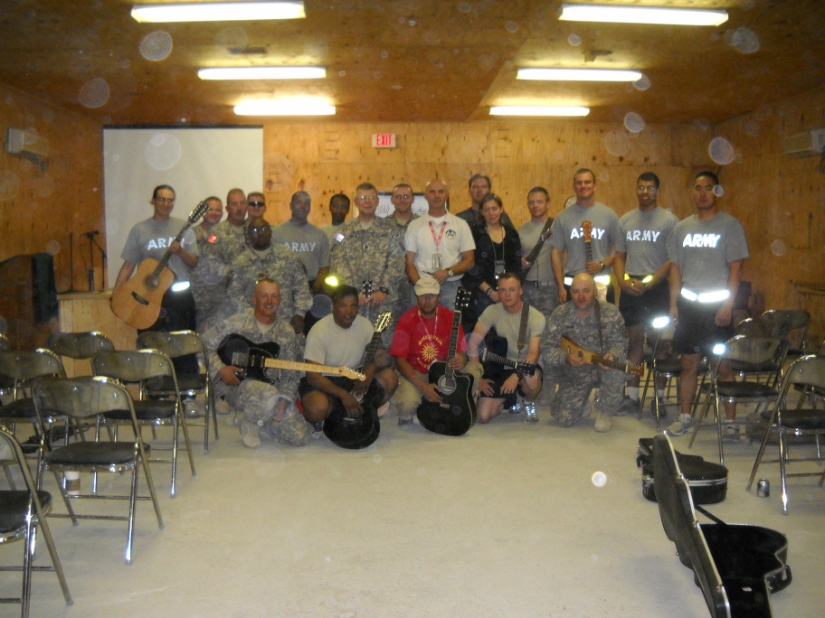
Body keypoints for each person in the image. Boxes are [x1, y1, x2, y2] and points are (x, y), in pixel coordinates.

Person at [665, 171, 749, 441]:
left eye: (708, 188)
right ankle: (685, 417)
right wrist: (674, 303)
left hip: (717, 311)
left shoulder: (730, 226)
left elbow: (736, 269)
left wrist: (728, 305)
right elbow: (675, 269)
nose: (702, 193)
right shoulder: (681, 228)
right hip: (689, 306)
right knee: (688, 364)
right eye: (698, 188)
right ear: (692, 193)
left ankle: (731, 422)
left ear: (717, 192)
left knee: (722, 366)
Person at [203, 278, 311, 449]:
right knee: (269, 395)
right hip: (235, 386)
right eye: (264, 296)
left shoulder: (286, 332)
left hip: (271, 387)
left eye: (274, 296)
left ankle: (265, 418)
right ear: (254, 299)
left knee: (299, 436)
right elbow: (202, 345)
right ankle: (250, 424)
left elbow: (291, 374)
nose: (269, 301)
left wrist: (285, 400)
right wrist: (221, 369)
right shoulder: (235, 323)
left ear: (280, 300)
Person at [114, 184, 198, 375]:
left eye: (170, 200)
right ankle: (156, 393)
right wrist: (117, 295)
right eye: (161, 199)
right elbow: (128, 266)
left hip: (179, 297)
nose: (166, 204)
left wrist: (181, 252)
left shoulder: (184, 228)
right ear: (153, 201)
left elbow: (194, 262)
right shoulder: (140, 230)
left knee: (183, 347)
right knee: (151, 346)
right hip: (148, 299)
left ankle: (186, 395)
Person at [613, 172, 679, 415]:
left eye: (650, 188)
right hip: (631, 289)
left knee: (660, 345)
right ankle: (632, 397)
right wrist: (623, 281)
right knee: (634, 345)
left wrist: (649, 283)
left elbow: (673, 259)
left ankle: (659, 399)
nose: (645, 192)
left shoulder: (669, 221)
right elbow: (619, 256)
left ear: (657, 191)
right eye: (640, 187)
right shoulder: (625, 220)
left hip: (657, 290)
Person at [542, 273, 632, 432]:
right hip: (574, 372)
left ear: (595, 291)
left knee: (617, 367)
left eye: (586, 291)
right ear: (570, 293)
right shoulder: (560, 314)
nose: (581, 296)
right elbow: (547, 348)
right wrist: (566, 358)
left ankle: (605, 412)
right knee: (563, 418)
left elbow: (620, 343)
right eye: (576, 291)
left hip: (602, 369)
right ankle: (582, 402)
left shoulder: (610, 313)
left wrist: (612, 355)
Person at [300, 285, 398, 431]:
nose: (348, 311)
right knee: (317, 408)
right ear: (333, 307)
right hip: (325, 380)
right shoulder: (319, 331)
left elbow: (383, 357)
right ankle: (324, 418)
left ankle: (368, 409)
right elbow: (313, 377)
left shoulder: (364, 324)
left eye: (353, 306)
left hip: (353, 376)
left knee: (390, 377)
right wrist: (343, 395)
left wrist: (370, 369)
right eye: (343, 306)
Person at [388, 276, 483, 426]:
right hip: (416, 372)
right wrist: (422, 387)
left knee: (474, 369)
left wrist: (461, 359)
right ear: (416, 297)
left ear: (439, 297)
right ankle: (419, 404)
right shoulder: (406, 319)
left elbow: (462, 352)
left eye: (431, 295)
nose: (427, 300)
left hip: (443, 371)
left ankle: (461, 403)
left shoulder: (451, 317)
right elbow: (399, 361)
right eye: (423, 295)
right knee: (407, 404)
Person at [328, 182, 405, 336]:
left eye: (371, 198)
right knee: (353, 346)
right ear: (356, 202)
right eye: (362, 198)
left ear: (377, 202)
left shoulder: (392, 230)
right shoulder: (342, 231)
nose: (367, 202)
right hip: (353, 304)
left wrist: (383, 290)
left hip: (384, 301)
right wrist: (354, 293)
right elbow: (338, 261)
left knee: (383, 348)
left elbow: (397, 262)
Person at [468, 272, 544, 424]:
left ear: (520, 291)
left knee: (532, 379)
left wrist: (516, 375)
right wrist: (479, 378)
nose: (507, 295)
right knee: (483, 417)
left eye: (512, 290)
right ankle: (510, 399)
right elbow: (473, 343)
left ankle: (528, 401)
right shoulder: (492, 311)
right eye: (502, 290)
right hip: (500, 366)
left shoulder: (535, 317)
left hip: (525, 367)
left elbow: (533, 355)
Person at [223, 217, 313, 334]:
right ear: (248, 235)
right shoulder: (240, 263)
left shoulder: (288, 256)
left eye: (264, 229)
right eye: (255, 230)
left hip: (286, 324)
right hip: (252, 326)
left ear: (270, 232)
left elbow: (302, 288)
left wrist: (300, 314)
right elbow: (234, 295)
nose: (260, 233)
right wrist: (253, 314)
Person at [549, 169, 620, 305]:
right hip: (573, 284)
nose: (583, 186)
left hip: (601, 284)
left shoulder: (609, 215)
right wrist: (561, 287)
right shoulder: (563, 218)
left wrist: (602, 264)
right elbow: (556, 252)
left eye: (587, 182)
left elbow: (620, 248)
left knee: (603, 325)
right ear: (574, 187)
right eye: (579, 183)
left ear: (595, 186)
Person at [405, 179, 476, 310]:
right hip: (422, 285)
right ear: (425, 195)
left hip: (451, 286)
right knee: (421, 329)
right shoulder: (415, 226)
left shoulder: (460, 225)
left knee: (449, 328)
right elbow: (409, 262)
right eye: (432, 192)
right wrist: (421, 285)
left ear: (447, 194)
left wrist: (448, 272)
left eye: (441, 191)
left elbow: (470, 261)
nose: (437, 196)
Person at [461, 193, 522, 331]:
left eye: (494, 208)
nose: (491, 213)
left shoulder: (512, 234)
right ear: (481, 212)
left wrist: (508, 291)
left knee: (505, 335)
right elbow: (470, 266)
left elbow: (516, 266)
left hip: (507, 295)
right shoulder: (474, 233)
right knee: (484, 337)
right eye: (487, 209)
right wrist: (490, 291)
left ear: (501, 209)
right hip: (481, 294)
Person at [271, 191, 330, 293]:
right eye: (299, 202)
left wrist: (315, 288)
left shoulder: (320, 235)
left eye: (307, 203)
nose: (303, 206)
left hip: (312, 288)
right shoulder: (276, 233)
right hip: (284, 288)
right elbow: (271, 265)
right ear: (291, 206)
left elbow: (324, 266)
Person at [519, 187, 559, 319]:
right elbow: (514, 258)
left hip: (551, 289)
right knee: (527, 330)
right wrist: (520, 263)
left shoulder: (558, 227)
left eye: (539, 202)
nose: (535, 205)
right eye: (531, 202)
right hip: (527, 289)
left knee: (549, 332)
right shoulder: (521, 231)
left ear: (548, 204)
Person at [191, 196, 223, 331]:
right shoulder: (191, 233)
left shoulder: (226, 234)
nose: (214, 213)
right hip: (195, 296)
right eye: (210, 209)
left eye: (218, 210)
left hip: (219, 298)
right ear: (203, 211)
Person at [389, 183, 420, 322]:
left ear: (413, 199)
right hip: (390, 288)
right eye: (398, 197)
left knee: (414, 327)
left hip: (416, 286)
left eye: (406, 196)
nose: (402, 200)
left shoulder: (423, 224)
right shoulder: (383, 225)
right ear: (392, 200)